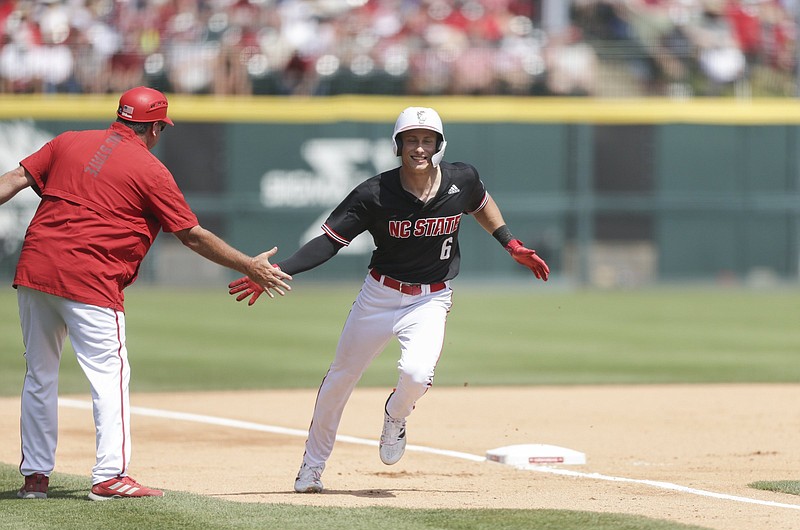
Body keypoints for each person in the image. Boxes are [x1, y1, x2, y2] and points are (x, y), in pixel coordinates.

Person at [228, 106, 548, 493]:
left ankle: (395, 416)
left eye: (427, 140)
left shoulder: (462, 178)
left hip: (430, 299)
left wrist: (510, 243)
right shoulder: (374, 193)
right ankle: (312, 468)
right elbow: (329, 241)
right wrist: (278, 271)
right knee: (340, 380)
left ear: (439, 144)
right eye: (411, 140)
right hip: (379, 296)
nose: (419, 148)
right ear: (398, 146)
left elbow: (481, 203)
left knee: (416, 375)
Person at [0, 86, 292, 501]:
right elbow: (191, 235)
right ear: (155, 127)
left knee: (39, 376)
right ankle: (109, 476)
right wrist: (249, 265)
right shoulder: (151, 170)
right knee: (110, 376)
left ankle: (34, 478)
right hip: (90, 278)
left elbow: (12, 180)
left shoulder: (68, 141)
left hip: (35, 270)